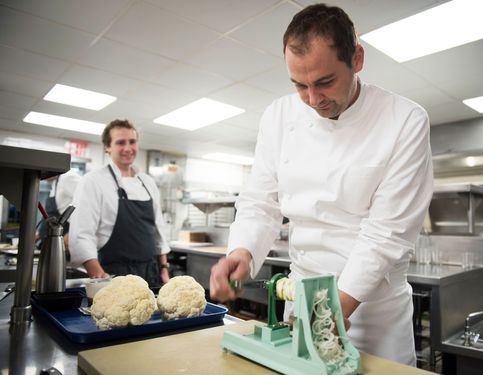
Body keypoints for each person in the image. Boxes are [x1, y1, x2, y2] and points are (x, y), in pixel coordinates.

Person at [209, 4, 433, 366]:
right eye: (300, 85)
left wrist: (329, 312)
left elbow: (387, 233)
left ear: (357, 59)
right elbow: (261, 203)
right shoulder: (279, 116)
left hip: (374, 315)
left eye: (325, 82)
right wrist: (242, 252)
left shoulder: (404, 120)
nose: (313, 100)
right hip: (300, 303)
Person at [69, 119, 170, 287]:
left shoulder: (148, 182)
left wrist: (164, 268)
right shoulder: (93, 181)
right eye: (120, 142)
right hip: (113, 275)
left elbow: (158, 230)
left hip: (150, 274)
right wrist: (99, 276)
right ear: (107, 147)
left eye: (132, 142)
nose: (128, 148)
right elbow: (81, 234)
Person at [37, 169, 81, 252]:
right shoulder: (55, 183)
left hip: (64, 242)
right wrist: (39, 233)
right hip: (50, 243)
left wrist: (72, 234)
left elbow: (86, 204)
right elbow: (50, 216)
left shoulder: (67, 178)